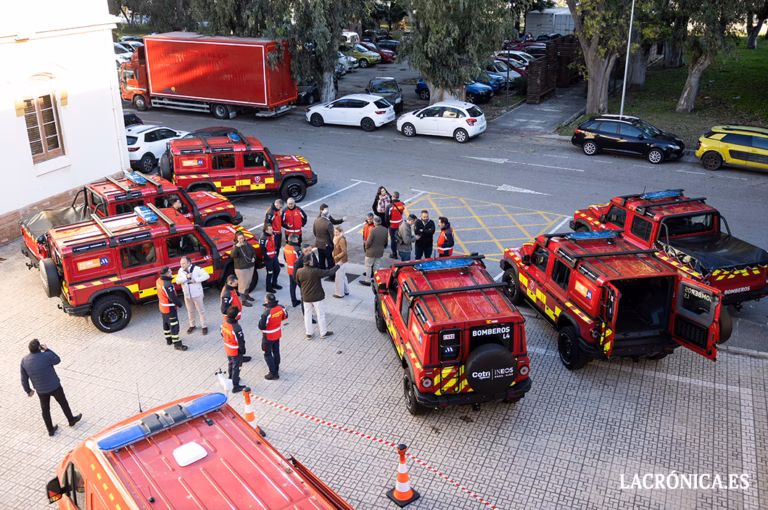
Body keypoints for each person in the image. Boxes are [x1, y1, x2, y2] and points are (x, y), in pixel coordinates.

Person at [21, 339, 82, 436]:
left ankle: (50, 430)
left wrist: (28, 391)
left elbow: (24, 379)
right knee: (63, 403)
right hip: (55, 386)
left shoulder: (24, 361)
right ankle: (71, 420)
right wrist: (47, 350)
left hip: (41, 390)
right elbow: (57, 360)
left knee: (45, 410)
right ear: (39, 347)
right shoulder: (46, 355)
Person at [296, 255, 339, 339]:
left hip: (306, 297)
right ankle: (323, 332)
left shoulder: (299, 271)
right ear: (310, 262)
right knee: (320, 315)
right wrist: (338, 265)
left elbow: (298, 282)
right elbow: (329, 272)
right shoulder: (315, 271)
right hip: (317, 297)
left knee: (307, 315)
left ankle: (309, 333)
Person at [157, 266, 188, 350]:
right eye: (170, 272)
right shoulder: (168, 285)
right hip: (170, 308)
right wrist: (179, 304)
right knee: (174, 325)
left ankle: (169, 339)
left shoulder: (159, 281)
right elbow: (172, 298)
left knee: (166, 324)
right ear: (167, 274)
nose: (171, 273)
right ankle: (177, 344)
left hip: (163, 307)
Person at [176, 256, 209, 334]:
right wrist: (186, 277)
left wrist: (196, 280)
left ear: (188, 263)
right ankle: (192, 325)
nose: (181, 265)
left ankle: (204, 326)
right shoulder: (180, 270)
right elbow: (177, 281)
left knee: (201, 311)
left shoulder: (196, 269)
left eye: (183, 263)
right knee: (190, 311)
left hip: (197, 294)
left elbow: (207, 275)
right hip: (187, 295)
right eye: (181, 263)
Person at [258, 293, 287, 380]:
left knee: (267, 353)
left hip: (268, 336)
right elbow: (285, 316)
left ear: (267, 301)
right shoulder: (281, 308)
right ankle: (276, 368)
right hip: (277, 333)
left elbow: (261, 326)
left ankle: (273, 373)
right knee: (276, 351)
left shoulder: (267, 312)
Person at [221, 306, 247, 393]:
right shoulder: (236, 328)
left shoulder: (223, 324)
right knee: (236, 367)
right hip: (235, 351)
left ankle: (231, 378)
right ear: (236, 316)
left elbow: (222, 334)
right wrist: (243, 351)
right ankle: (235, 386)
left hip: (227, 348)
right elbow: (240, 342)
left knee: (230, 363)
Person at [361, 216, 388, 286]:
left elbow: (369, 242)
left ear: (375, 222)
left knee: (368, 265)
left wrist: (366, 247)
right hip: (380, 251)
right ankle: (376, 279)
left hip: (371, 251)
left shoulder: (373, 230)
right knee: (377, 265)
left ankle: (367, 280)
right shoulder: (385, 230)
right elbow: (385, 242)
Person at [231, 231, 256, 304]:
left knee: (248, 282)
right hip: (241, 268)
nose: (241, 240)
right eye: (240, 239)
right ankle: (243, 300)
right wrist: (236, 247)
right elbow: (232, 255)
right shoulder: (235, 246)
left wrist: (254, 257)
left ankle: (246, 295)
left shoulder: (248, 244)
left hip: (250, 266)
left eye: (242, 238)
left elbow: (253, 252)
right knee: (242, 284)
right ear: (237, 239)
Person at [260, 223, 281, 292]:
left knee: (277, 270)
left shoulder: (272, 235)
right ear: (266, 230)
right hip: (268, 259)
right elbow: (262, 249)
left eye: (272, 229)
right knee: (270, 272)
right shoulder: (263, 238)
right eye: (270, 230)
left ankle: (274, 283)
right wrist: (267, 258)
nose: (272, 231)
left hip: (274, 257)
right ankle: (268, 287)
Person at [386, 191, 406, 258]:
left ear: (392, 197)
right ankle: (401, 251)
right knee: (400, 237)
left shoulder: (390, 206)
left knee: (393, 239)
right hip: (400, 224)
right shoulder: (402, 204)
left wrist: (388, 224)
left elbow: (387, 217)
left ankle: (394, 253)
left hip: (393, 225)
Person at [265, 199, 284, 266]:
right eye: (280, 207)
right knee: (273, 248)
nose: (281, 208)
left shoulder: (277, 210)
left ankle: (276, 261)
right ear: (277, 205)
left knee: (278, 248)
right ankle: (273, 263)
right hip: (274, 234)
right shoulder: (270, 212)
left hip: (278, 233)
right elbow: (267, 224)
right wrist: (271, 234)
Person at [284, 234, 302, 307]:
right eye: (297, 239)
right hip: (297, 271)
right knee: (302, 287)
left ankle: (293, 301)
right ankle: (305, 301)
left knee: (292, 286)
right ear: (294, 240)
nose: (298, 240)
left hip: (290, 270)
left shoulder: (286, 247)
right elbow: (301, 260)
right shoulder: (297, 249)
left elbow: (285, 258)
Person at [332, 226, 350, 298]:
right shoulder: (338, 239)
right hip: (342, 260)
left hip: (341, 261)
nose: (335, 234)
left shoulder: (341, 240)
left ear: (340, 232)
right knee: (343, 276)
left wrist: (336, 256)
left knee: (339, 278)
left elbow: (344, 252)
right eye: (335, 232)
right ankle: (346, 291)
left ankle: (339, 294)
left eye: (337, 232)